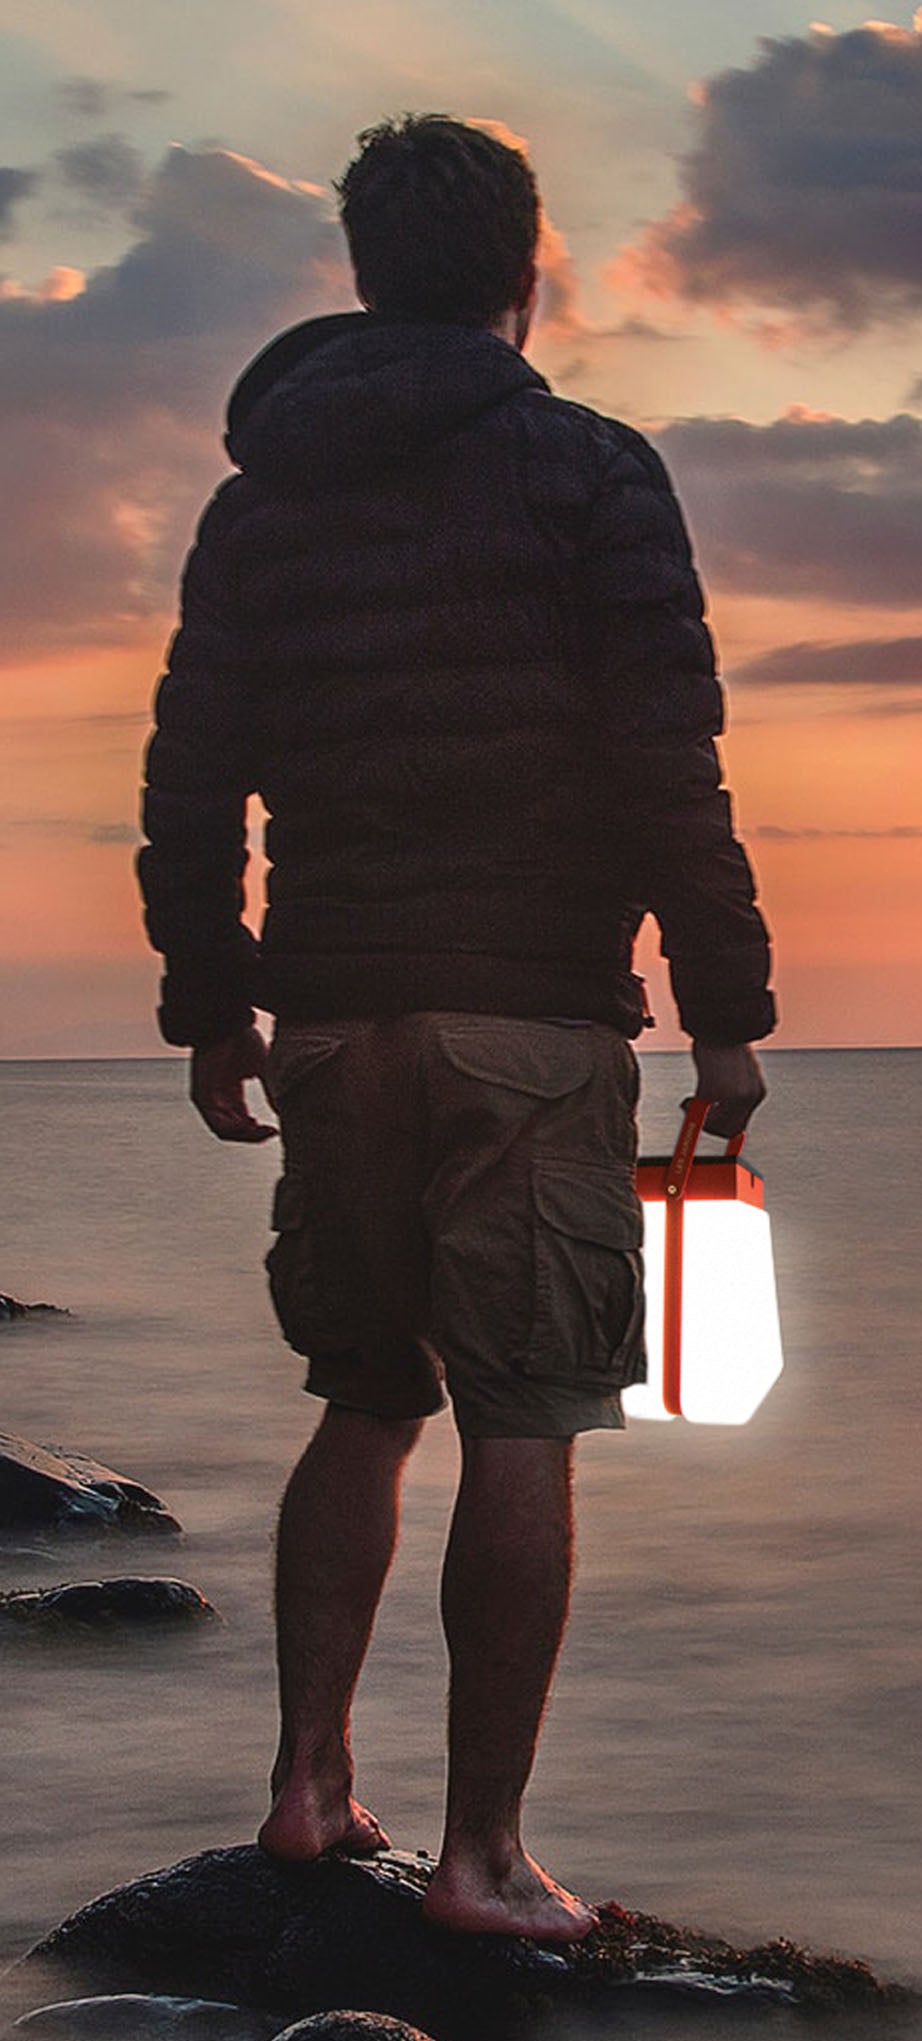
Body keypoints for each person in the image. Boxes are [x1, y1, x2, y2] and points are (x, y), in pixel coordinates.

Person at [137, 115, 774, 1942]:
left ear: (360, 268)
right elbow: (670, 752)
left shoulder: (262, 502)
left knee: (360, 1399)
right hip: (528, 1018)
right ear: (526, 268)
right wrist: (726, 1013)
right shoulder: (588, 470)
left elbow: (192, 776)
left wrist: (212, 1000)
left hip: (331, 1019)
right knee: (525, 1421)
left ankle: (306, 1787)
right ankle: (485, 1861)